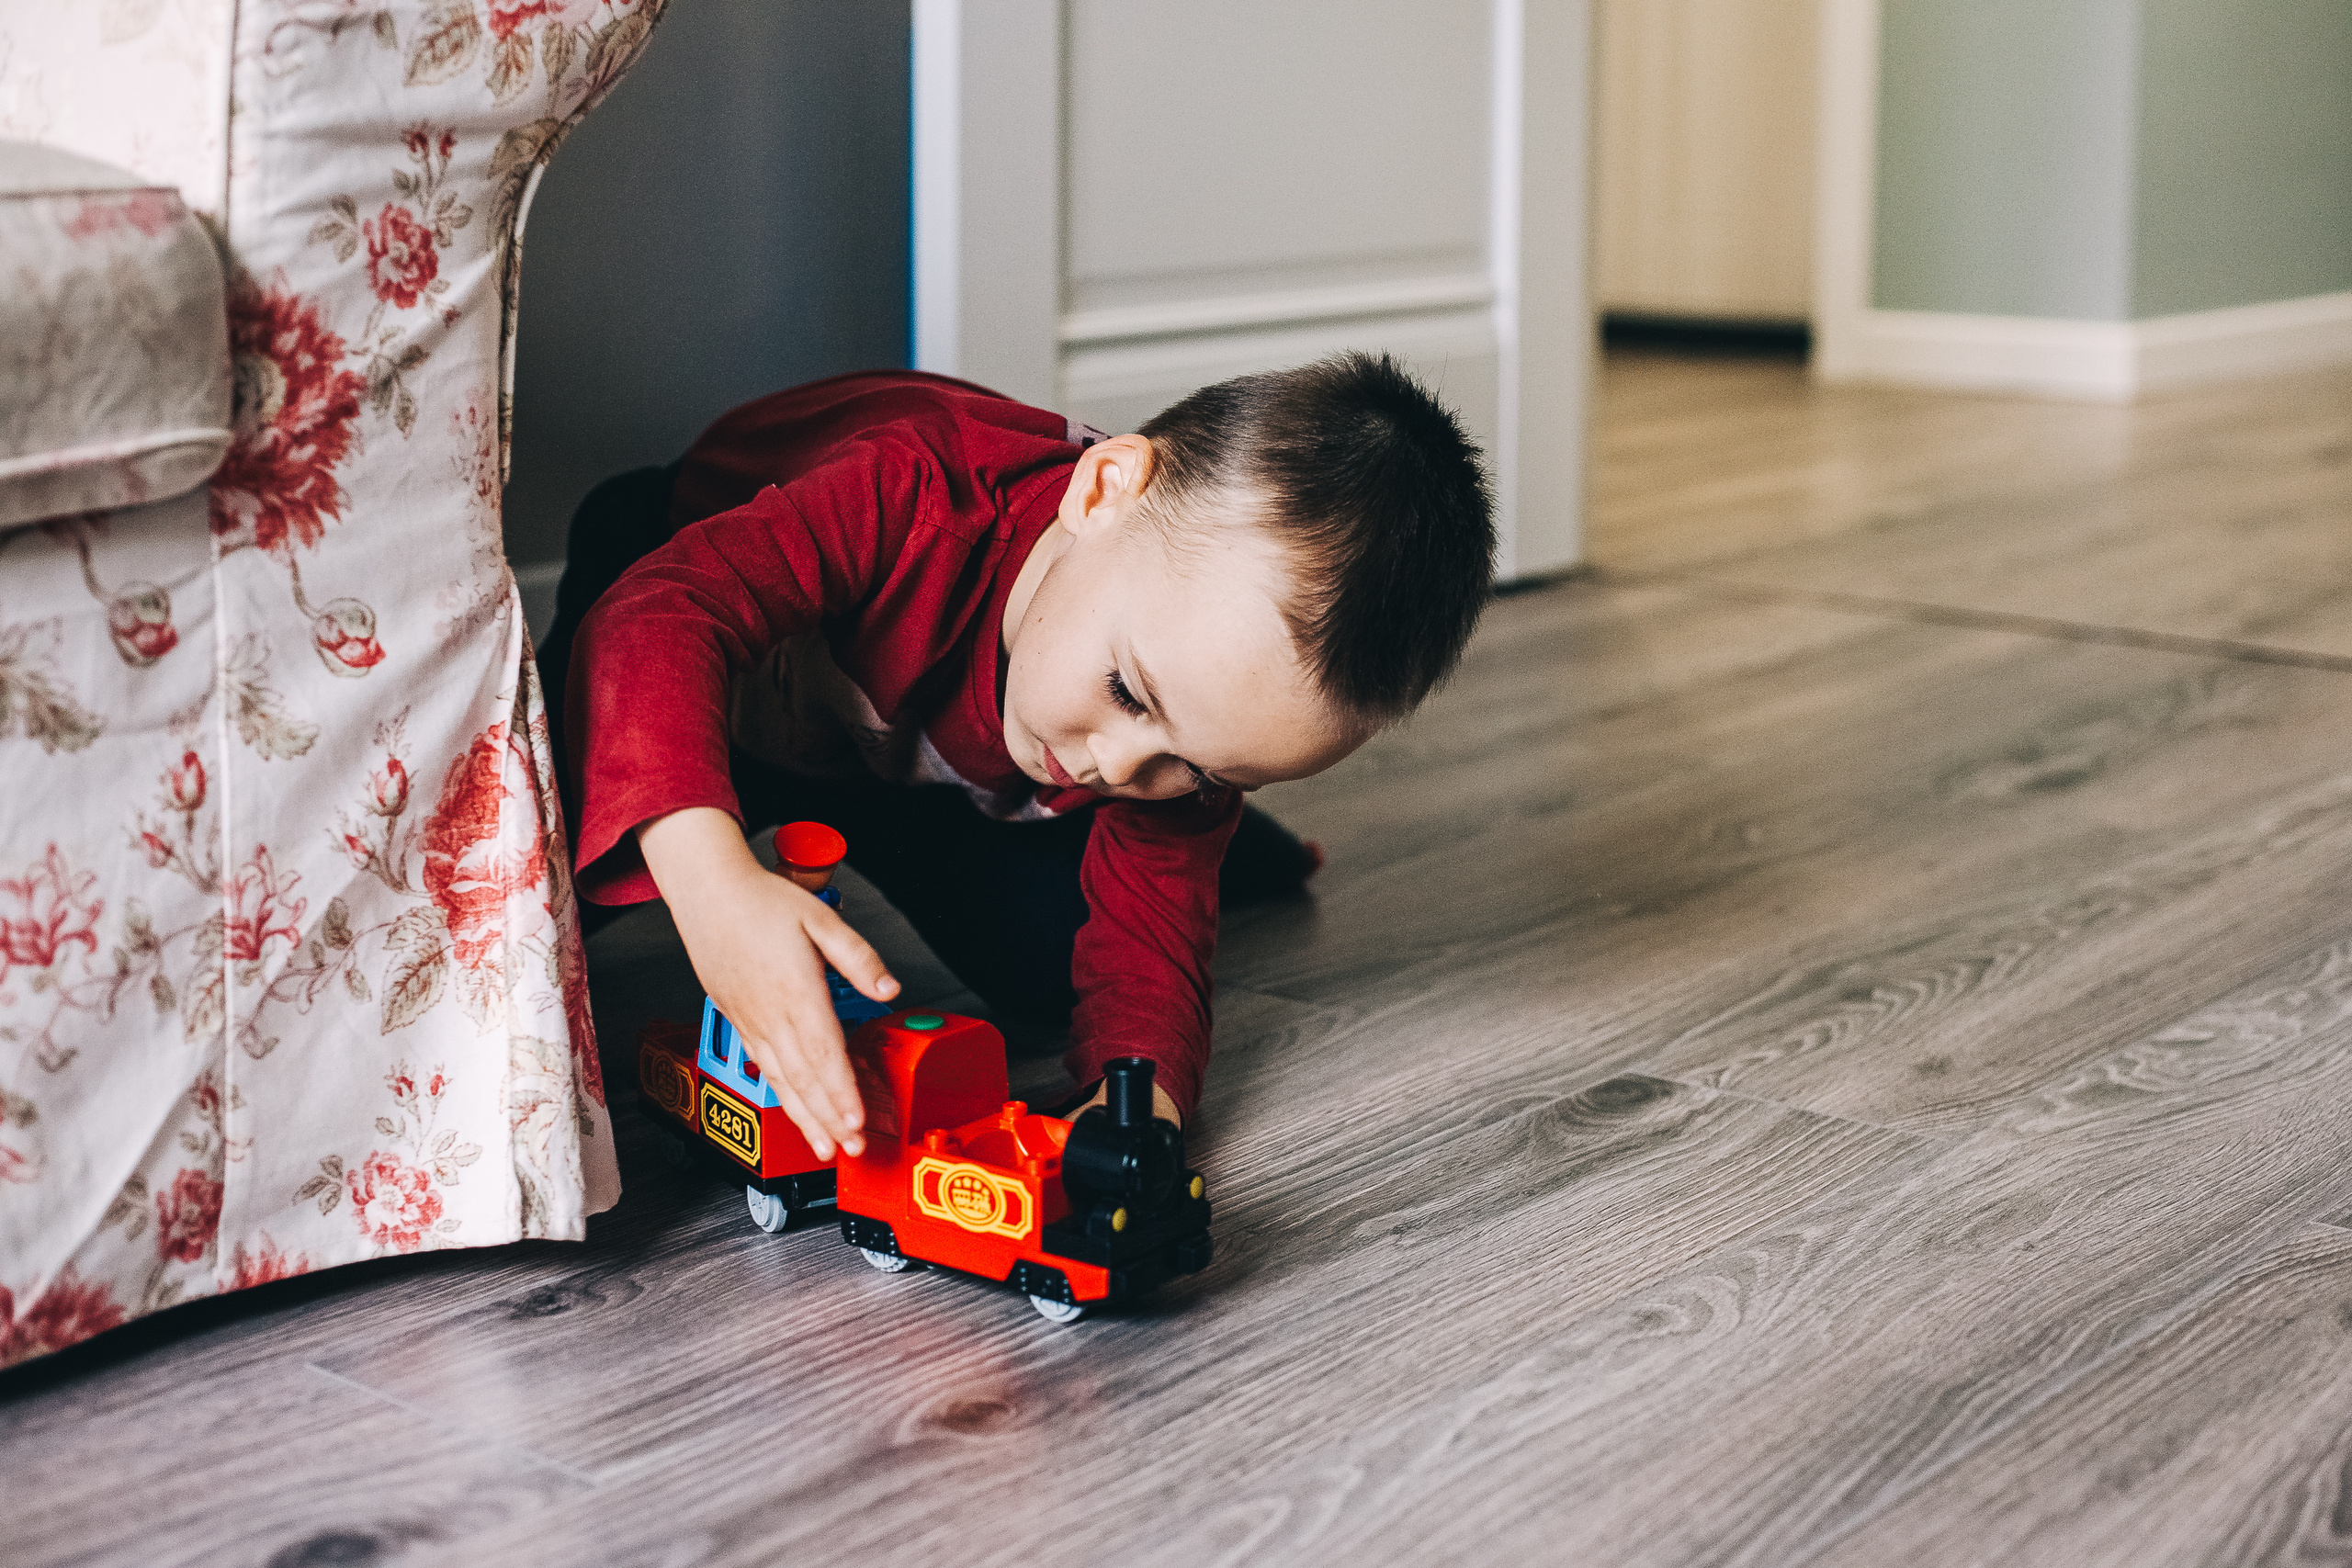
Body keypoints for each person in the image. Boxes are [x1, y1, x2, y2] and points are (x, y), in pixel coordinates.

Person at [548, 351, 1494, 1160]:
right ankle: (1226, 833)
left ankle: (1228, 841)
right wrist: (714, 889)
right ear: (1101, 491)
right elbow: (656, 618)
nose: (1118, 768)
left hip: (890, 762)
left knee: (1058, 958)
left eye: (1206, 771)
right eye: (1131, 692)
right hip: (683, 630)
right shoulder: (914, 490)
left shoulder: (1132, 739)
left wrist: (1138, 1115)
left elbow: (1145, 971)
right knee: (520, 908)